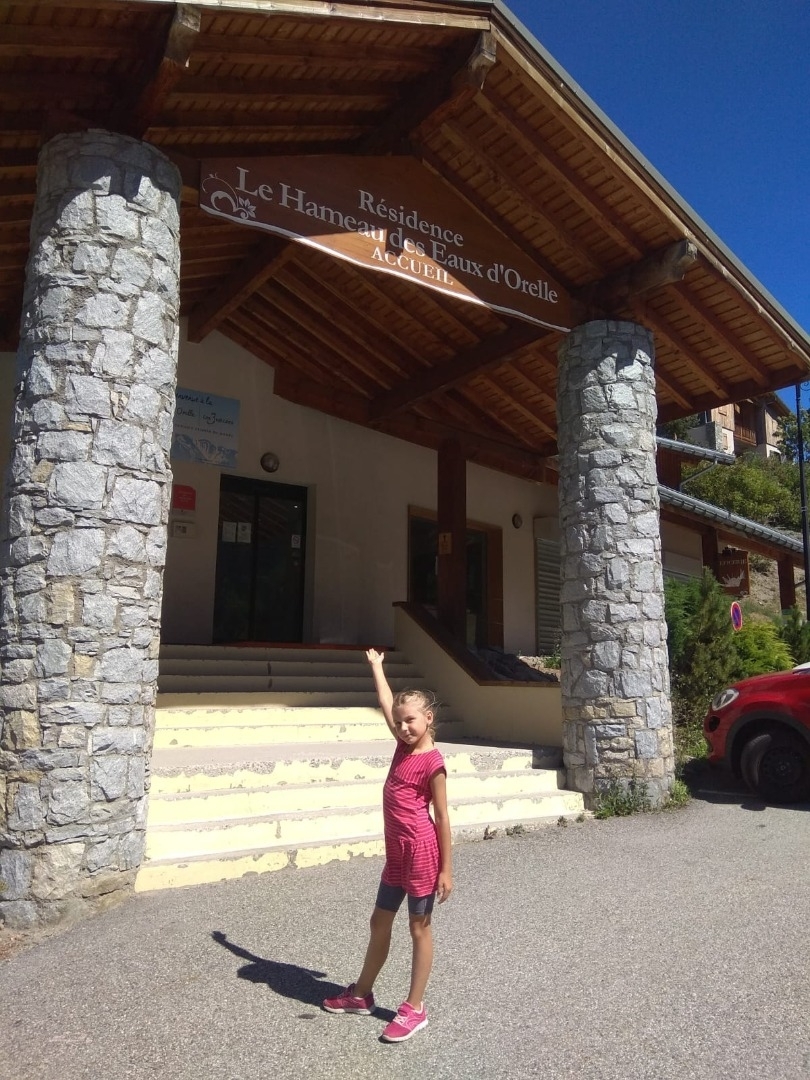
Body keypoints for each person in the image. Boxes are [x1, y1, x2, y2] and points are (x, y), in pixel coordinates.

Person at [322, 648, 453, 1043]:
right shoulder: (401, 745)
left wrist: (446, 869)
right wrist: (377, 667)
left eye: (410, 720)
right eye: (399, 722)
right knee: (379, 922)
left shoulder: (433, 763)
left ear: (428, 719)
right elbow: (385, 701)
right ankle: (361, 995)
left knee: (418, 928)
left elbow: (443, 817)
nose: (403, 727)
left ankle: (415, 1008)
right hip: (397, 854)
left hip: (422, 854)